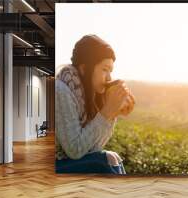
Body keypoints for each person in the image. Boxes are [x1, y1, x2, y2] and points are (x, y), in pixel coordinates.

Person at [55, 34, 134, 174]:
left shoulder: (87, 94)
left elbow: (94, 148)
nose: (109, 77)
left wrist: (113, 113)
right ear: (84, 68)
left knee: (112, 157)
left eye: (110, 71)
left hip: (68, 163)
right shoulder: (61, 90)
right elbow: (75, 150)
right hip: (55, 165)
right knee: (105, 160)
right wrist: (107, 112)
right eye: (104, 69)